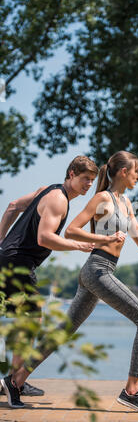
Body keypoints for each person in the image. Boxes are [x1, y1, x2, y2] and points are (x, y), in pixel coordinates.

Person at [8, 150, 138, 412]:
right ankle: (131, 391)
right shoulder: (102, 198)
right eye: (135, 171)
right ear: (123, 172)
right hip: (98, 270)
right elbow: (73, 229)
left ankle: (16, 381)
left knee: (63, 331)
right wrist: (104, 239)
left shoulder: (126, 203)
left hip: (101, 271)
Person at [0, 156, 98, 407]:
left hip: (9, 258)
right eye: (85, 178)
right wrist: (79, 245)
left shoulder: (46, 190)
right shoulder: (58, 199)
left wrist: (1, 243)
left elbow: (12, 206)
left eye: (92, 180)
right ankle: (13, 384)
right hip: (19, 262)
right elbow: (45, 238)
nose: (88, 185)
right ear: (72, 174)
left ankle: (12, 381)